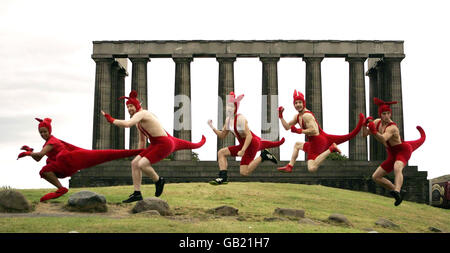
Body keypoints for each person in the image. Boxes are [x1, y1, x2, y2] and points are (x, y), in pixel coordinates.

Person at [102, 90, 206, 202]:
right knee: (135, 163)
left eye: (131, 106)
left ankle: (158, 180)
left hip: (164, 144)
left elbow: (127, 124)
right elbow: (142, 140)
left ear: (137, 105)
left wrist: (111, 119)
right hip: (155, 144)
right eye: (128, 107)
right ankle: (137, 193)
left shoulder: (142, 114)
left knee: (142, 164)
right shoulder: (139, 122)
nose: (129, 109)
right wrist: (138, 153)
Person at [17, 118, 144, 202]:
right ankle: (61, 189)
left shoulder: (52, 141)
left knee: (45, 169)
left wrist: (29, 153)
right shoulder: (48, 143)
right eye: (41, 132)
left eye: (44, 131)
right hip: (64, 164)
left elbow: (39, 155)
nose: (43, 134)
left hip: (67, 162)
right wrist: (30, 151)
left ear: (49, 131)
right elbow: (38, 159)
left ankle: (61, 189)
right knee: (45, 167)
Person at [277, 90, 365, 173]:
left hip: (319, 141)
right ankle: (290, 166)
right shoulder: (297, 116)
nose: (298, 105)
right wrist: (281, 116)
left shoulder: (306, 116)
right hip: (313, 142)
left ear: (303, 103)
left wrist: (299, 131)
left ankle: (331, 149)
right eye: (296, 103)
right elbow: (287, 127)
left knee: (311, 168)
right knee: (298, 146)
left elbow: (315, 131)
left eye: (300, 102)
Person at [207, 91, 285, 185]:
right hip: (243, 144)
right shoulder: (228, 120)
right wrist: (212, 127)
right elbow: (222, 135)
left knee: (244, 172)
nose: (229, 108)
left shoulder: (240, 119)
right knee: (221, 152)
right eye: (228, 106)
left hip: (252, 144)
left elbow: (249, 136)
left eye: (232, 106)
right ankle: (223, 177)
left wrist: (243, 150)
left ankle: (263, 156)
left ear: (236, 108)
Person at [362, 97, 425, 206]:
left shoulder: (392, 127)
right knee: (376, 177)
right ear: (380, 115)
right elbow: (364, 134)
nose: (386, 116)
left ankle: (397, 190)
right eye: (384, 114)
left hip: (402, 150)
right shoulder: (377, 122)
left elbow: (382, 138)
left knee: (397, 167)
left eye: (388, 113)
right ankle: (398, 193)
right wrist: (364, 124)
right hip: (391, 153)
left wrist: (373, 131)